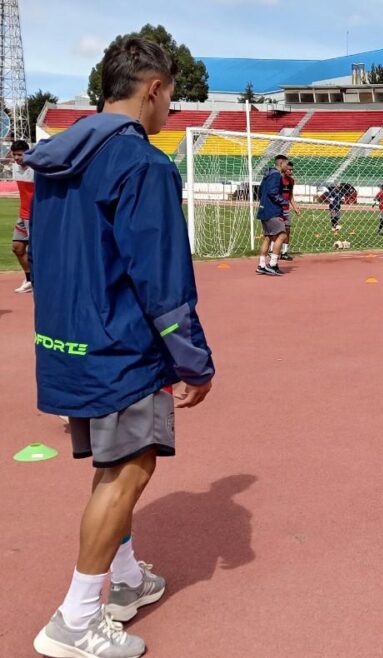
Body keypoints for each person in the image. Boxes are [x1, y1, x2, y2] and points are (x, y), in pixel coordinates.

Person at [24, 37, 215, 658]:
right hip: (120, 346)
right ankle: (75, 621)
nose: (170, 111)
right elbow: (161, 278)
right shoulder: (143, 163)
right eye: (171, 97)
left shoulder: (59, 157)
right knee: (129, 469)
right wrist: (194, 360)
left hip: (67, 339)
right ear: (154, 88)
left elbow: (35, 252)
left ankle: (126, 579)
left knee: (116, 465)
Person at [255, 155, 289, 275]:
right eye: (286, 164)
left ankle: (262, 264)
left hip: (264, 209)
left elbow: (260, 191)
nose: (287, 166)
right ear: (280, 163)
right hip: (272, 211)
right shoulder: (276, 175)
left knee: (268, 237)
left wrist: (263, 202)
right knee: (283, 235)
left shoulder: (267, 175)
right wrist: (283, 201)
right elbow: (272, 192)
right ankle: (273, 264)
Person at [9, 139, 34, 293]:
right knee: (17, 248)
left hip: (35, 216)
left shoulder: (37, 169)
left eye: (20, 154)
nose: (17, 158)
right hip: (22, 214)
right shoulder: (15, 168)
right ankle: (30, 280)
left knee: (36, 252)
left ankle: (44, 281)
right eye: (15, 155)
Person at [278, 160, 298, 260]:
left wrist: (295, 207)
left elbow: (290, 196)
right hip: (277, 209)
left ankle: (284, 252)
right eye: (289, 169)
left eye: (292, 170)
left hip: (286, 209)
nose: (291, 171)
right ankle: (272, 251)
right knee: (275, 231)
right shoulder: (278, 179)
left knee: (287, 230)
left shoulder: (291, 181)